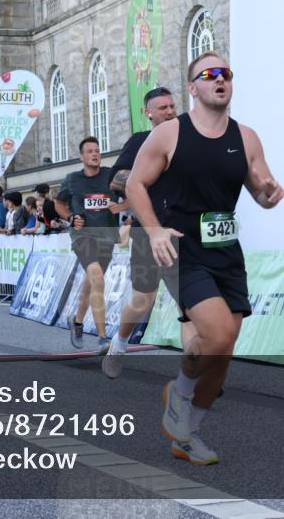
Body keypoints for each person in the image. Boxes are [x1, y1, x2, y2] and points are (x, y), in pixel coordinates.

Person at [126, 51, 284, 466]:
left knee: (223, 349)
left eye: (225, 74)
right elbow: (134, 185)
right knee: (214, 335)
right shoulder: (168, 135)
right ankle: (178, 392)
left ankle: (188, 434)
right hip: (180, 247)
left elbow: (262, 193)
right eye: (209, 75)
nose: (220, 80)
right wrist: (155, 229)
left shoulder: (246, 137)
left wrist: (271, 194)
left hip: (225, 250)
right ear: (193, 87)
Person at [101, 85, 196, 380]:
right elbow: (116, 179)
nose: (169, 111)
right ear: (148, 113)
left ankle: (196, 372)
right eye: (162, 108)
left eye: (172, 106)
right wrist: (147, 176)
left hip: (182, 232)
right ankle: (119, 346)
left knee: (190, 304)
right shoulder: (141, 141)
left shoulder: (190, 141)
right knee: (143, 299)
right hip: (146, 232)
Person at [56, 136, 124, 350]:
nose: (95, 154)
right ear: (82, 156)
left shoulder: (111, 176)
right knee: (96, 277)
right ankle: (103, 337)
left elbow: (133, 194)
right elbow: (58, 203)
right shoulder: (72, 179)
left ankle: (76, 321)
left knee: (90, 283)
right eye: (90, 151)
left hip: (106, 236)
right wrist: (69, 218)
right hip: (82, 236)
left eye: (97, 150)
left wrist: (122, 208)